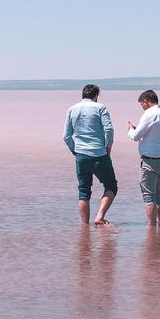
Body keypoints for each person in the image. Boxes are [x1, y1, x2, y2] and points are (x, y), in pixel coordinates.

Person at [63, 84, 117, 225]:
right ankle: (99, 217)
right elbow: (109, 130)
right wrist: (108, 147)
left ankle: (85, 227)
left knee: (83, 191)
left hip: (81, 156)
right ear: (96, 95)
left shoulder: (71, 109)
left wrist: (75, 150)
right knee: (111, 186)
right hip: (99, 153)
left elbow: (66, 136)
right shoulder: (100, 108)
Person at [126, 89, 160, 226]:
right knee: (157, 194)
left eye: (141, 104)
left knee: (148, 197)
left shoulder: (149, 114)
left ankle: (151, 230)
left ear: (146, 102)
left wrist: (130, 129)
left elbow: (135, 137)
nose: (142, 107)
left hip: (150, 161)